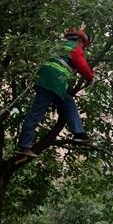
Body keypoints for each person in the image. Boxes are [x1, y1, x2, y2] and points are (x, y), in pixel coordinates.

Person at [16, 26, 94, 157]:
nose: (83, 48)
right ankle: (23, 145)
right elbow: (82, 65)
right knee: (36, 113)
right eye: (83, 45)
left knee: (68, 104)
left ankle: (79, 134)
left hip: (50, 82)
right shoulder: (73, 47)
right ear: (80, 40)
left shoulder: (59, 47)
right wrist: (90, 78)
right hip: (52, 83)